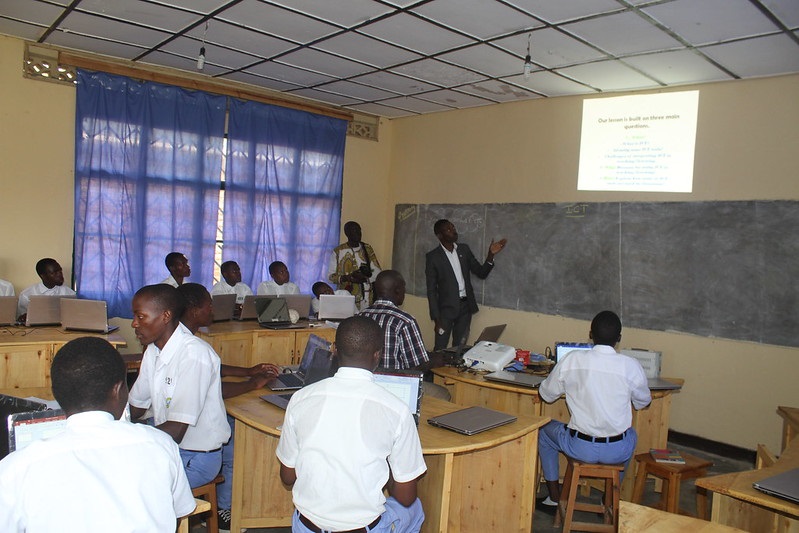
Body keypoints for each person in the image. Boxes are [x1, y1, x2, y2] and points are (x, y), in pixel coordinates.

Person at [0, 336, 195, 532]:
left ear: (57, 393)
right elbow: (177, 514)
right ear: (118, 390)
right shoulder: (160, 445)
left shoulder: (16, 469)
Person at [276, 316, 427, 533]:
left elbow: (288, 477)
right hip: (360, 528)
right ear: (377, 355)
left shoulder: (301, 398)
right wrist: (386, 467)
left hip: (306, 526)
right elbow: (406, 497)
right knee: (414, 509)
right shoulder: (397, 410)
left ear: (334, 350)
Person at [178, 283, 279, 530]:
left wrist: (248, 371)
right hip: (193, 444)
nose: (212, 309)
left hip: (185, 431)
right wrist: (252, 384)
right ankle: (224, 510)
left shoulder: (182, 339)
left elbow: (212, 370)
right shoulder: (194, 349)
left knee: (233, 424)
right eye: (208, 305)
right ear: (194, 310)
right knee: (236, 442)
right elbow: (213, 389)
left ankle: (227, 503)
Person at [536, 310, 651, 513]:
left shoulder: (572, 360)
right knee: (631, 436)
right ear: (619, 339)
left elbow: (547, 395)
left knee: (543, 431)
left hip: (580, 447)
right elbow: (643, 402)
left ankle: (554, 498)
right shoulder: (631, 366)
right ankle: (609, 500)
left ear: (590, 335)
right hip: (616, 450)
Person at [127, 284, 230, 490]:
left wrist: (127, 439)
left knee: (134, 488)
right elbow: (136, 407)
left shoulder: (194, 355)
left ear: (165, 316)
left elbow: (176, 430)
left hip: (195, 457)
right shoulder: (153, 350)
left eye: (141, 317)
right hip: (169, 446)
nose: (134, 324)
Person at [425, 219, 506, 350]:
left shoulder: (464, 249)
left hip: (465, 307)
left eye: (453, 227)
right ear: (440, 235)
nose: (453, 231)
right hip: (445, 310)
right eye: (448, 229)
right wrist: (436, 319)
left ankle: (456, 363)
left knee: (459, 347)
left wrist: (490, 255)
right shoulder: (433, 257)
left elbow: (481, 273)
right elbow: (431, 290)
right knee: (440, 348)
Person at [360, 270, 429, 371]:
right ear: (398, 291)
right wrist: (437, 361)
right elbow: (416, 366)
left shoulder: (360, 316)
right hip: (393, 380)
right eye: (404, 288)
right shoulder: (405, 321)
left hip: (365, 379)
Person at [328, 221, 382, 311]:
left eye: (359, 230)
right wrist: (348, 278)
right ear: (347, 233)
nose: (358, 233)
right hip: (346, 297)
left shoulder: (367, 248)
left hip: (367, 297)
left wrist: (364, 278)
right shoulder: (338, 251)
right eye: (354, 230)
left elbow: (377, 271)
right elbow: (330, 277)